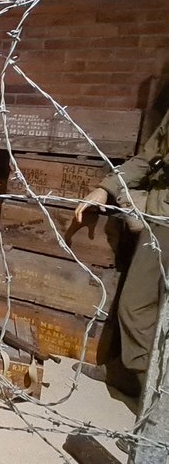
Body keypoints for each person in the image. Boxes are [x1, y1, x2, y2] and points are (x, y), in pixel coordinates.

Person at [75, 111, 169, 399]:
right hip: (161, 217)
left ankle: (154, 419)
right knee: (139, 305)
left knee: (136, 306)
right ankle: (131, 373)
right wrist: (107, 188)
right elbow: (149, 157)